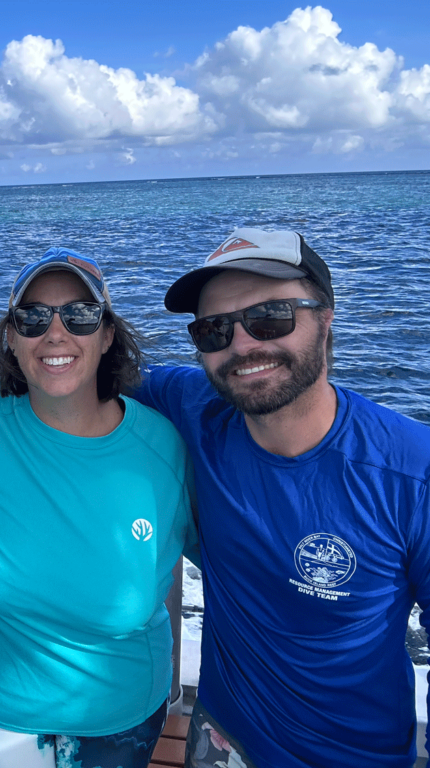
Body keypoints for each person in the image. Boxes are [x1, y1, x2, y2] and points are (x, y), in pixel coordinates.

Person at [136, 228, 430, 767]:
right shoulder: (195, 407)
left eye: (271, 318)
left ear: (327, 315)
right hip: (220, 742)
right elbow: (71, 371)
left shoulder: (412, 472)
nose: (243, 345)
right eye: (214, 330)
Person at [0, 248, 197, 768]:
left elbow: (167, 566)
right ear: (11, 339)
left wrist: (171, 680)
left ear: (107, 336)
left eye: (80, 315)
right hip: (1, 718)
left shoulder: (162, 449)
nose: (55, 333)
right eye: (33, 318)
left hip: (124, 719)